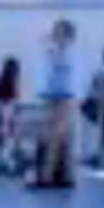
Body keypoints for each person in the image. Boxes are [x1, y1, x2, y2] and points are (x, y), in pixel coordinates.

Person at [33, 21, 78, 189]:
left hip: (65, 98)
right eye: (55, 31)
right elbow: (51, 75)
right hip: (53, 97)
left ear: (67, 34)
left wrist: (51, 50)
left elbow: (66, 74)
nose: (55, 34)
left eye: (59, 31)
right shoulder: (56, 51)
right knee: (58, 137)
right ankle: (65, 177)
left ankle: (48, 177)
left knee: (56, 137)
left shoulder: (69, 52)